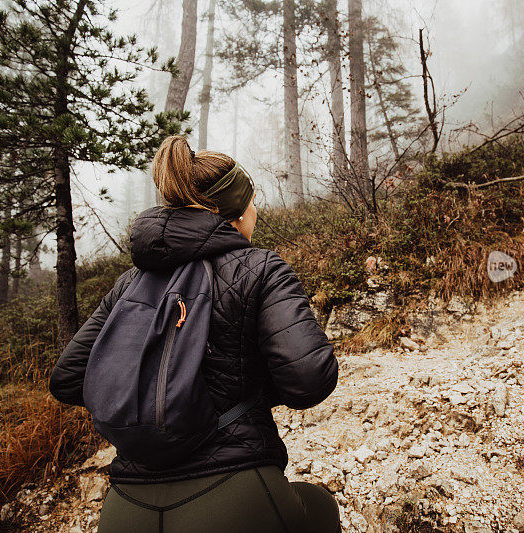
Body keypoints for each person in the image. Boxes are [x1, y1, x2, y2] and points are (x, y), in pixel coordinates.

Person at [49, 135, 340, 533]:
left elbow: (67, 380)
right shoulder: (260, 267)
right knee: (321, 508)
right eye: (252, 200)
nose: (256, 209)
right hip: (237, 491)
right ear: (237, 210)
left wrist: (141, 396)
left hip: (124, 506)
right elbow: (308, 380)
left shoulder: (131, 283)